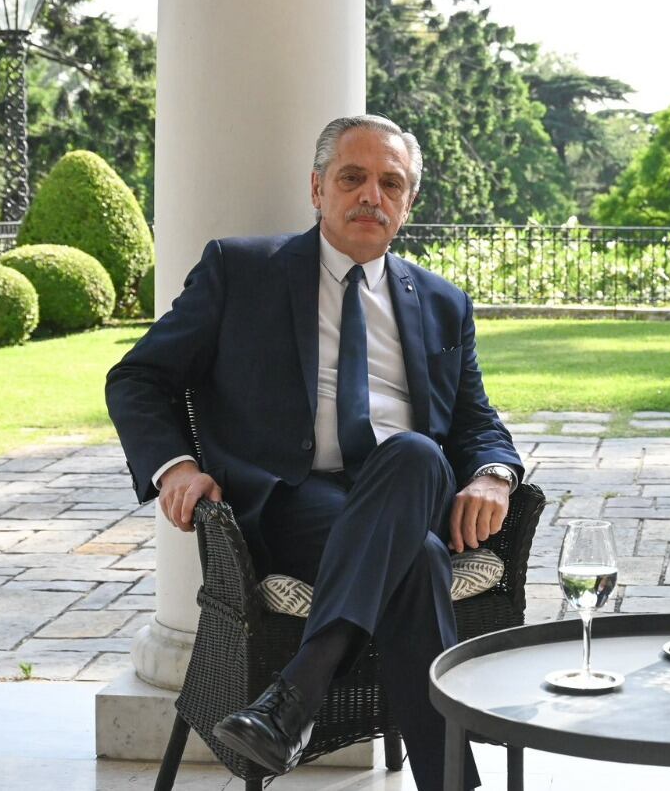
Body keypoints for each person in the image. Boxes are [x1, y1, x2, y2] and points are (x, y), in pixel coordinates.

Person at [106, 114, 521, 791]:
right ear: (316, 188)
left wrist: (496, 475)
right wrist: (175, 465)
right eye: (352, 177)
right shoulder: (242, 271)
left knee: (415, 456)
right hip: (291, 506)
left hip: (408, 488)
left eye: (391, 183)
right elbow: (138, 378)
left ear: (408, 201)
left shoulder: (443, 303)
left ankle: (293, 697)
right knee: (416, 558)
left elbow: (478, 421)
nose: (371, 196)